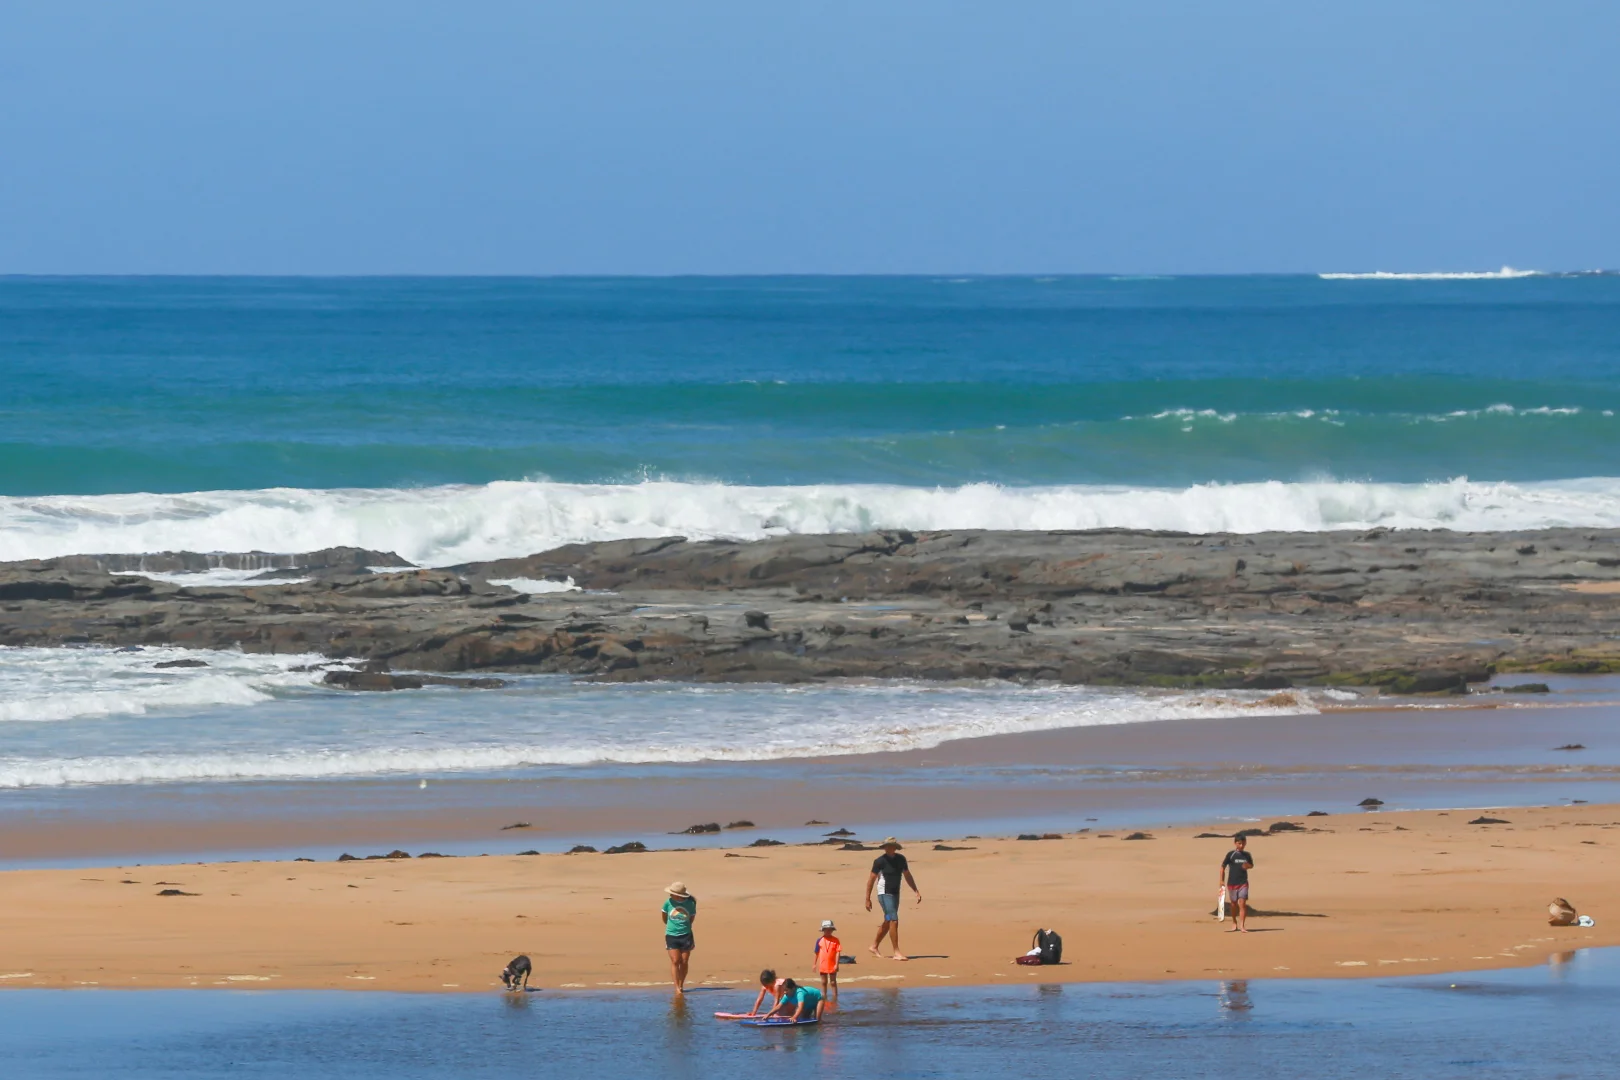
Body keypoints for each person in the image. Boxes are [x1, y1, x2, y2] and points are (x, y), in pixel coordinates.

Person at [865, 837, 921, 960]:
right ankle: (896, 952)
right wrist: (867, 898)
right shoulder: (879, 861)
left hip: (895, 894)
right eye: (886, 846)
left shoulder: (901, 859)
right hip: (884, 894)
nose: (887, 848)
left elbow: (907, 875)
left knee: (888, 920)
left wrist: (915, 890)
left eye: (890, 846)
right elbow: (871, 880)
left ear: (895, 847)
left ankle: (874, 946)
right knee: (894, 920)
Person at [661, 881, 697, 992]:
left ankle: (681, 984)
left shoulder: (690, 904)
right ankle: (677, 987)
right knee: (676, 961)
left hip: (686, 935)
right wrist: (672, 926)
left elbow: (691, 919)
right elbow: (664, 918)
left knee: (684, 961)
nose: (670, 894)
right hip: (671, 935)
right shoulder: (668, 903)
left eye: (673, 893)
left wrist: (684, 927)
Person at [1220, 835, 1255, 933]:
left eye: (1243, 843)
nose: (1241, 845)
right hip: (1232, 883)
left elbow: (1251, 865)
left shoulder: (1247, 855)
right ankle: (1234, 922)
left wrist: (1247, 866)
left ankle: (1242, 926)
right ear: (1235, 843)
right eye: (1239, 843)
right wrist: (1221, 880)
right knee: (1233, 904)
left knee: (1242, 904)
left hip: (1243, 882)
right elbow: (1223, 867)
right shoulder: (1231, 854)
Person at [813, 919, 841, 1000]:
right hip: (823, 964)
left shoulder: (836, 940)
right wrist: (814, 964)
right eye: (826, 930)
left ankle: (835, 997)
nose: (828, 931)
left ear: (832, 930)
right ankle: (824, 996)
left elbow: (838, 952)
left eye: (830, 930)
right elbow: (816, 953)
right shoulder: (819, 940)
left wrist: (837, 964)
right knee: (824, 982)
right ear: (823, 930)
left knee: (833, 982)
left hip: (832, 964)